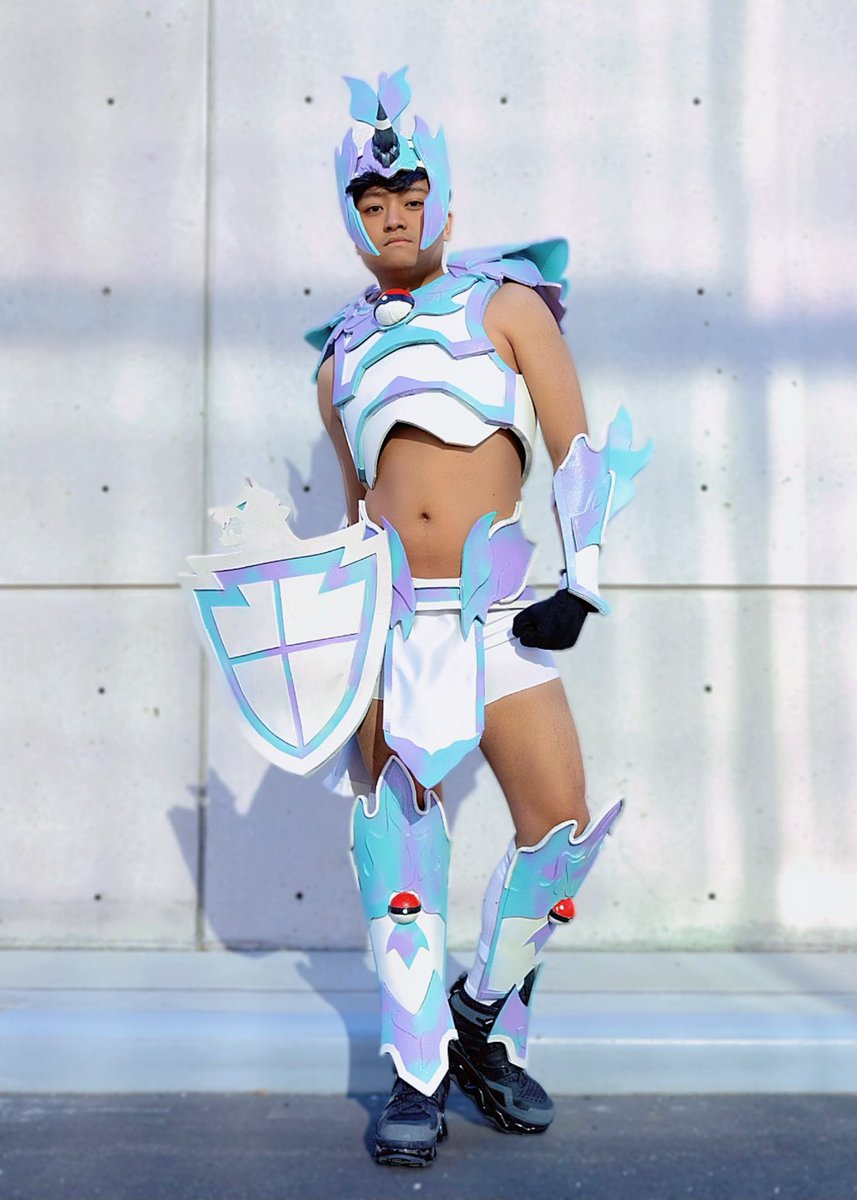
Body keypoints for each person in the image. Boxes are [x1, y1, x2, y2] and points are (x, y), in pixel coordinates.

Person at [185, 65, 650, 1170]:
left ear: (442, 194)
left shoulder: (507, 308)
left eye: (408, 194)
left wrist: (580, 580)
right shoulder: (339, 359)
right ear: (349, 215)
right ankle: (415, 1074)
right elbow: (360, 508)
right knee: (399, 849)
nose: (392, 216)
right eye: (370, 201)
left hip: (500, 616)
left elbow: (577, 446)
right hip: (393, 624)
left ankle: (480, 1017)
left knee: (559, 830)